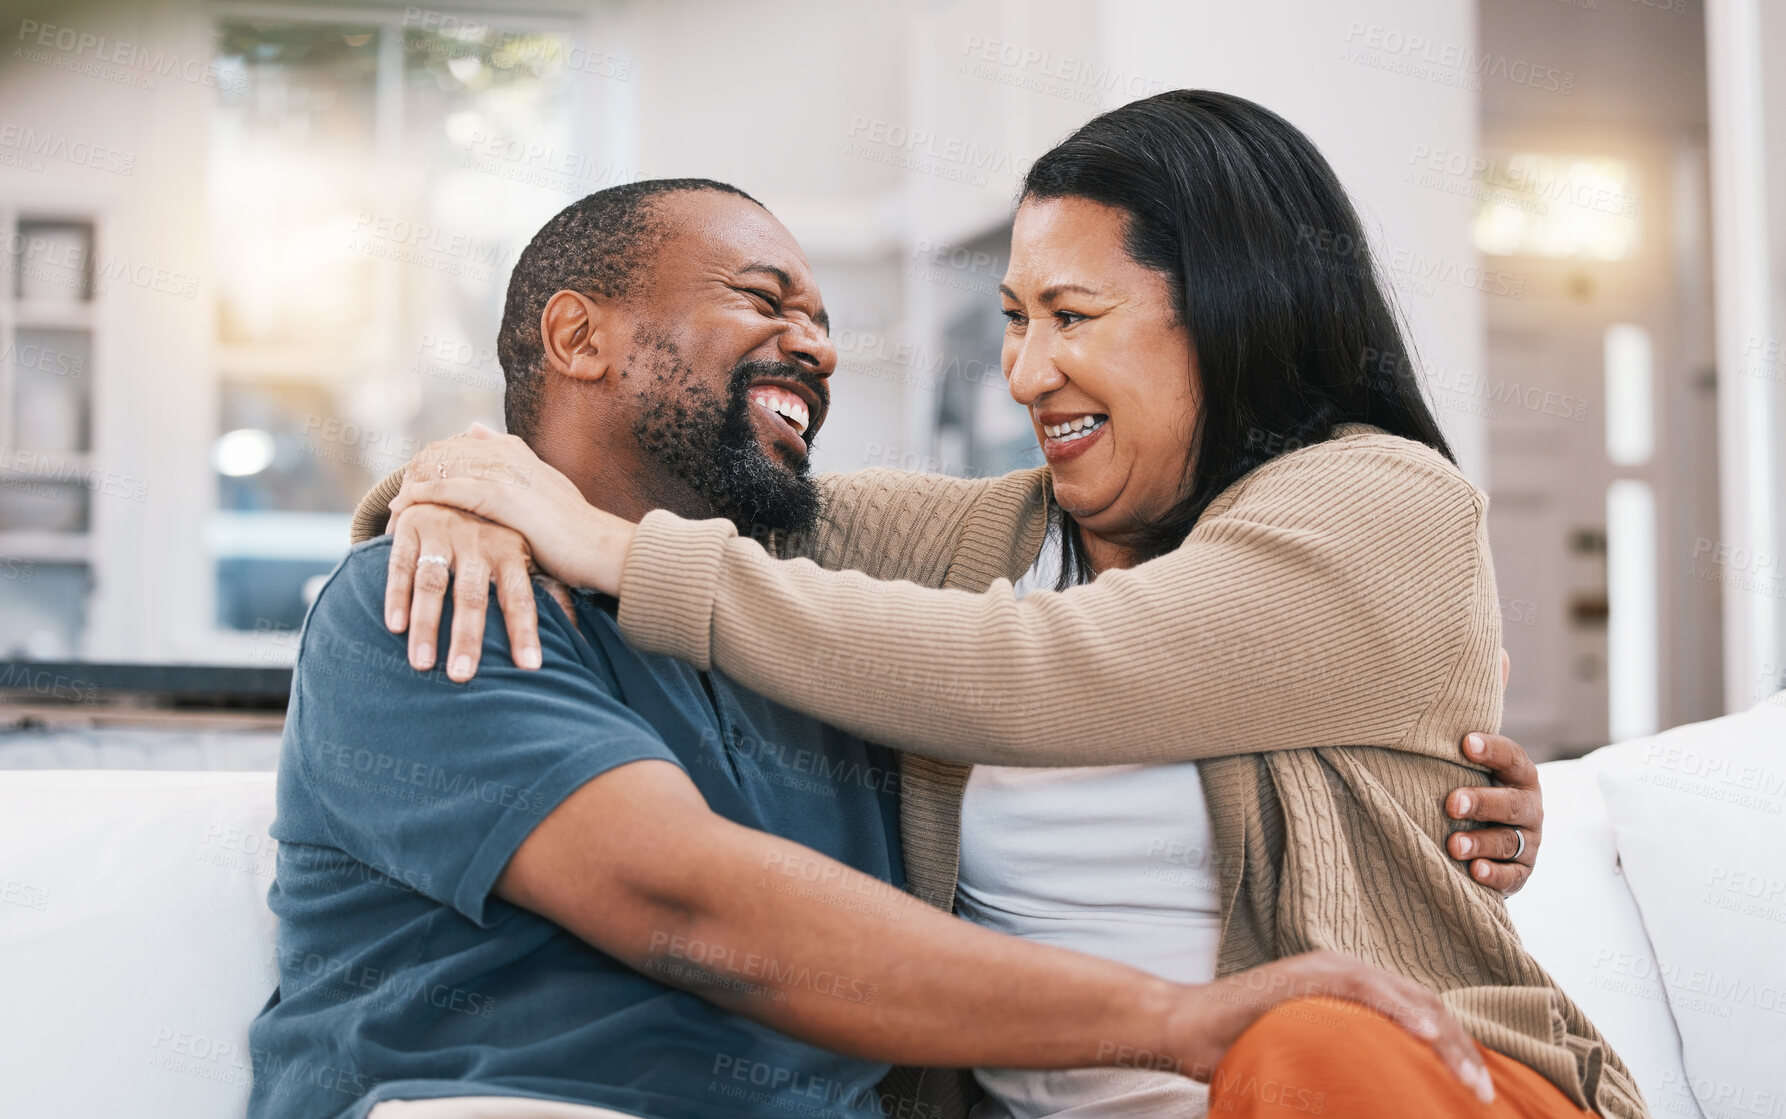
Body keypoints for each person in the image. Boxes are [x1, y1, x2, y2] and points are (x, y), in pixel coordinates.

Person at [357, 96, 1642, 1118]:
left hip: (1383, 1089)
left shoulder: (1385, 503)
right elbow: (665, 486)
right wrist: (460, 491)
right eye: (1015, 321)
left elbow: (1054, 674)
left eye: (1072, 316)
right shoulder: (992, 536)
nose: (1028, 373)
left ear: (1237, 314)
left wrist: (602, 548)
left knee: (1311, 1040)